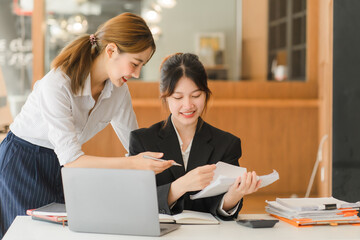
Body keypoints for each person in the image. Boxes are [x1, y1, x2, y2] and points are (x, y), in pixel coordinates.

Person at [0, 12, 174, 238]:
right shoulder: (57, 84)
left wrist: (160, 170)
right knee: (33, 235)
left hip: (61, 165)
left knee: (67, 233)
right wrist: (133, 164)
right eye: (135, 63)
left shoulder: (118, 90)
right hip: (23, 161)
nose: (137, 73)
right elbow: (73, 160)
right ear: (111, 50)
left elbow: (134, 143)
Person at [129, 53, 260, 220]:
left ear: (206, 94)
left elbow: (220, 207)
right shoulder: (142, 141)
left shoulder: (227, 143)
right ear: (165, 96)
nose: (188, 105)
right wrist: (181, 186)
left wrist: (234, 196)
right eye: (178, 97)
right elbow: (136, 202)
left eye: (196, 96)